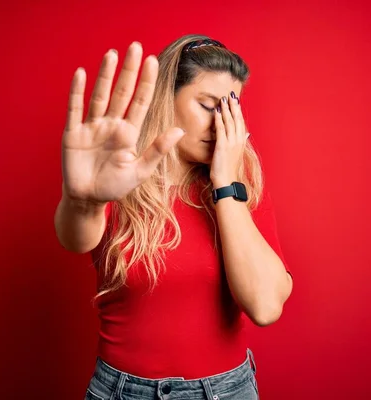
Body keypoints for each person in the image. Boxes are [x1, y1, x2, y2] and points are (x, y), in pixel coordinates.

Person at [54, 34, 293, 400]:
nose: (221, 124)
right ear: (168, 99)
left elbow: (265, 305)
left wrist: (225, 184)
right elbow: (76, 237)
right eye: (208, 105)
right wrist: (81, 200)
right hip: (122, 392)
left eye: (231, 107)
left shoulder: (242, 180)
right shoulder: (119, 172)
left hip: (225, 391)